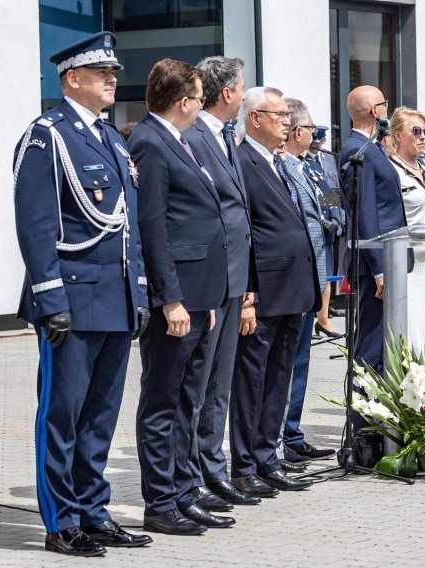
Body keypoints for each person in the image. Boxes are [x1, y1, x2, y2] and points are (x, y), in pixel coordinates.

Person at [12, 31, 152, 556]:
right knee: (63, 416)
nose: (112, 80)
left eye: (113, 72)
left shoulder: (113, 139)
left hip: (113, 299)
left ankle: (94, 511)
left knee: (100, 419)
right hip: (71, 300)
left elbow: (127, 228)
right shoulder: (47, 136)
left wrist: (138, 293)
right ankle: (61, 522)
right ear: (73, 78)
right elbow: (36, 226)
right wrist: (50, 301)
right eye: (102, 73)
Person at [128, 59, 236, 536]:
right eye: (196, 96)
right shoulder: (151, 143)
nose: (200, 102)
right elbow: (153, 228)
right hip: (176, 299)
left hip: (198, 295)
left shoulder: (178, 141)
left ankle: (183, 492)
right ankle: (160, 501)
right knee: (163, 401)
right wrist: (170, 299)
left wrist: (206, 297)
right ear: (184, 101)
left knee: (187, 399)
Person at [230, 87, 318, 496]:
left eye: (287, 115)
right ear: (254, 119)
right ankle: (244, 464)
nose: (287, 121)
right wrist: (248, 294)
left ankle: (268, 457)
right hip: (263, 290)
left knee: (279, 378)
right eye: (279, 114)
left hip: (292, 289)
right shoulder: (242, 161)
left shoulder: (281, 162)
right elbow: (245, 232)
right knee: (251, 381)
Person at [183, 56, 262, 507]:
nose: (244, 91)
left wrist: (248, 283)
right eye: (242, 86)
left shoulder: (228, 138)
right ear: (228, 93)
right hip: (207, 281)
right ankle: (192, 474)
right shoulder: (192, 137)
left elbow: (240, 217)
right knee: (199, 385)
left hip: (233, 281)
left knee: (219, 385)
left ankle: (213, 469)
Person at [280, 99, 337, 464]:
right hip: (290, 283)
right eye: (310, 128)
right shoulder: (282, 167)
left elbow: (326, 205)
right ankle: (279, 438)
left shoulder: (310, 166)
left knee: (300, 364)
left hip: (312, 279)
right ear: (297, 132)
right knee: (285, 367)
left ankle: (293, 433)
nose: (314, 134)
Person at [339, 86, 408, 374]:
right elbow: (365, 212)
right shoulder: (358, 150)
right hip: (374, 264)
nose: (388, 110)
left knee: (383, 341)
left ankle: (377, 411)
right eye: (385, 104)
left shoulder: (372, 147)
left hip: (386, 257)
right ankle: (363, 416)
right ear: (374, 111)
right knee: (371, 342)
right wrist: (379, 268)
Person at [387, 107, 425, 353]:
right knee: (404, 337)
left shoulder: (424, 167)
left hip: (424, 265)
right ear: (398, 135)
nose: (424, 136)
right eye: (416, 131)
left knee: (419, 336)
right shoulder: (391, 169)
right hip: (403, 263)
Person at [304, 125, 344, 335]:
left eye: (320, 141)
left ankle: (323, 318)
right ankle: (312, 321)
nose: (317, 145)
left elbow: (332, 190)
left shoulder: (327, 160)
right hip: (314, 227)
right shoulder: (302, 162)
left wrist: (337, 219)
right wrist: (321, 221)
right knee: (316, 276)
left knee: (328, 275)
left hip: (329, 228)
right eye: (315, 141)